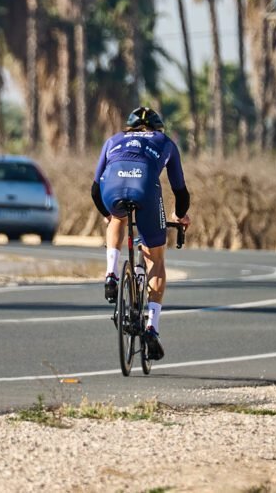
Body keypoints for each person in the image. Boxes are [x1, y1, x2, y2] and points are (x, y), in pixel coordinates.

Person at [90, 106, 191, 361]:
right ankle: (151, 327)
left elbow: (94, 188)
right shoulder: (164, 142)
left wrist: (107, 212)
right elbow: (180, 190)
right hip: (145, 188)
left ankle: (111, 274)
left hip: (111, 189)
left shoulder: (113, 140)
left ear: (129, 127)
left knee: (117, 218)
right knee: (156, 259)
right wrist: (180, 215)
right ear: (157, 128)